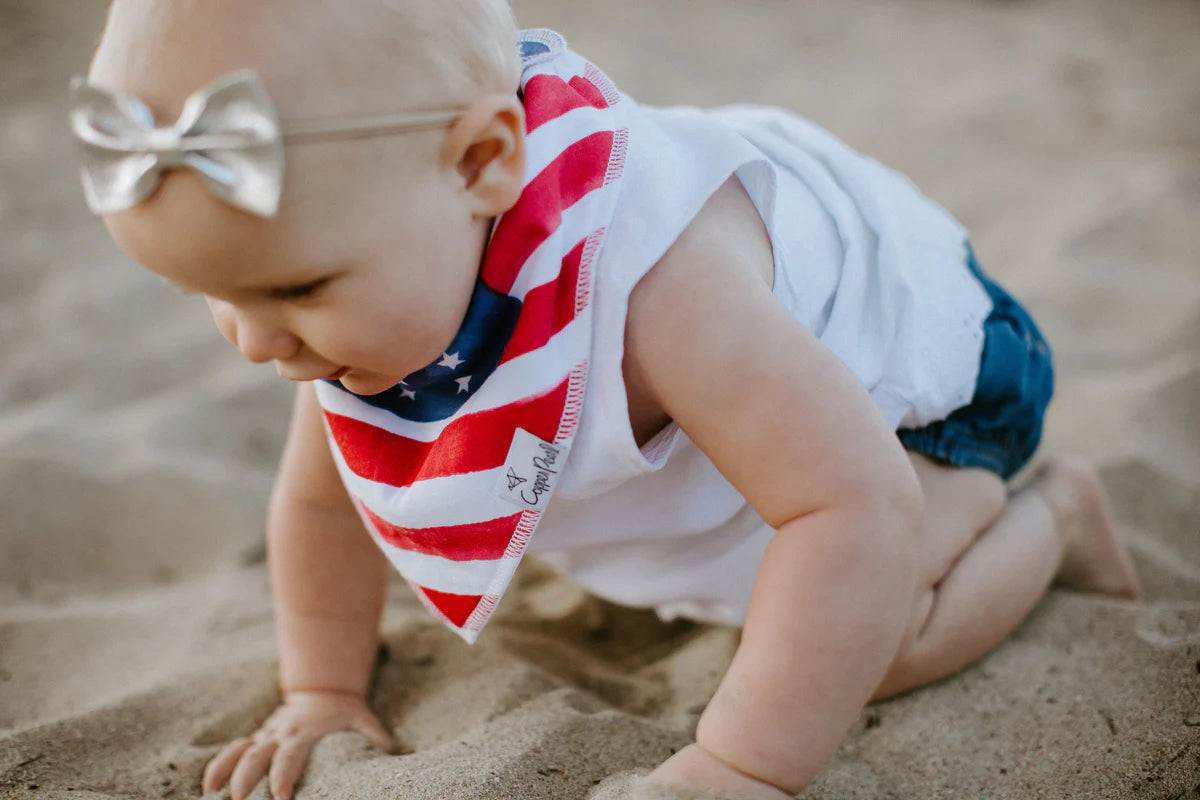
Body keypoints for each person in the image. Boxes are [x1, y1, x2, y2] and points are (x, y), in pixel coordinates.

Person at [71, 1, 1141, 798]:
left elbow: (854, 507)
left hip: (911, 403)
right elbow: (320, 503)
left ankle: (1051, 516)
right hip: (767, 437)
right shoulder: (372, 274)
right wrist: (322, 688)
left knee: (866, 636)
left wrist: (739, 763)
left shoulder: (667, 289)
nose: (257, 342)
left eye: (295, 289)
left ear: (483, 162)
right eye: (211, 295)